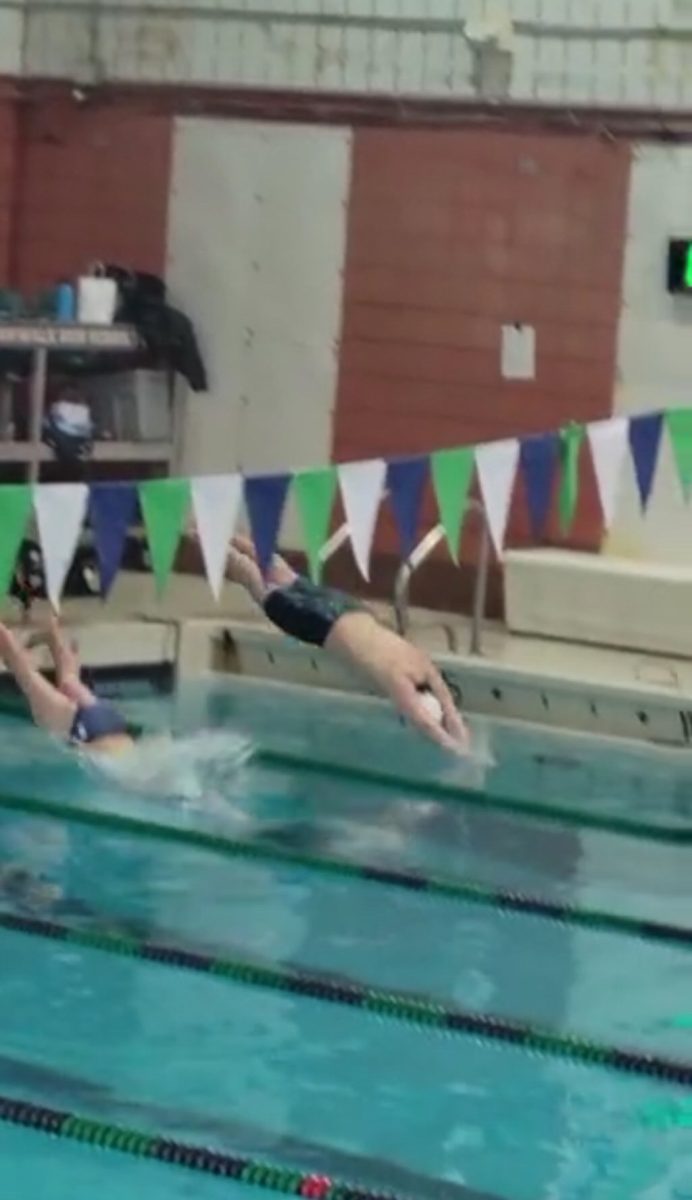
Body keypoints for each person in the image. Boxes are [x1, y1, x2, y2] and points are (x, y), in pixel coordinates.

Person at [226, 536, 470, 755]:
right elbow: (428, 725)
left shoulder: (423, 663)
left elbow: (450, 708)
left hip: (349, 608)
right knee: (252, 578)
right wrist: (464, 754)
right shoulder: (400, 684)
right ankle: (208, 541)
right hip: (319, 624)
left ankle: (223, 534)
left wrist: (456, 727)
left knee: (279, 570)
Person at [0, 615, 135, 756]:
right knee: (23, 670)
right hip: (93, 732)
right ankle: (43, 636)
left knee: (69, 681)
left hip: (107, 718)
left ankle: (53, 635)